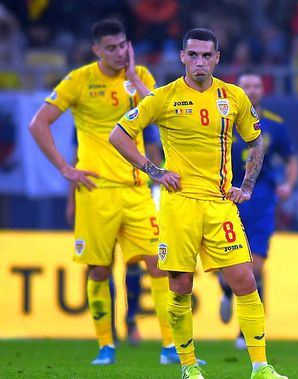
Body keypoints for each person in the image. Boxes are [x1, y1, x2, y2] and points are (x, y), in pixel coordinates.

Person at [109, 28, 288, 379]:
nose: (200, 62)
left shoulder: (233, 97)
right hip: (179, 205)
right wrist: (155, 170)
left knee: (246, 279)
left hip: (220, 204)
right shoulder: (163, 98)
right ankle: (189, 366)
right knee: (179, 287)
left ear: (217, 59)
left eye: (207, 55)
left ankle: (260, 366)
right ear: (182, 57)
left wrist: (246, 185)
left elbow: (256, 142)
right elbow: (118, 135)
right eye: (193, 55)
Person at [28, 18, 180, 366]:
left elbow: (162, 114)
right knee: (98, 270)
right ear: (96, 50)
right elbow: (38, 123)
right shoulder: (79, 80)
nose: (118, 53)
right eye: (110, 48)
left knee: (159, 264)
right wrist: (65, 170)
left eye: (123, 45)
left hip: (137, 187)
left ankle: (170, 347)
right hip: (95, 190)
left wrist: (135, 80)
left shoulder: (141, 75)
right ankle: (105, 346)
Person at [217, 69, 298, 349]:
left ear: (262, 90)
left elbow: (291, 161)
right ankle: (227, 292)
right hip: (227, 196)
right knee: (228, 267)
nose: (251, 90)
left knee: (256, 266)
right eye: (246, 85)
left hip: (262, 199)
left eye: (255, 85)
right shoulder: (224, 122)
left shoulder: (275, 125)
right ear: (237, 90)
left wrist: (288, 184)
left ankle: (245, 333)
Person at [66, 124, 163, 346]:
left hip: (134, 192)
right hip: (98, 195)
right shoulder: (89, 110)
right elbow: (77, 156)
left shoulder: (136, 108)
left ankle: (131, 321)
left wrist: (157, 186)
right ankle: (109, 329)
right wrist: (72, 199)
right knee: (103, 264)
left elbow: (152, 150)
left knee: (137, 262)